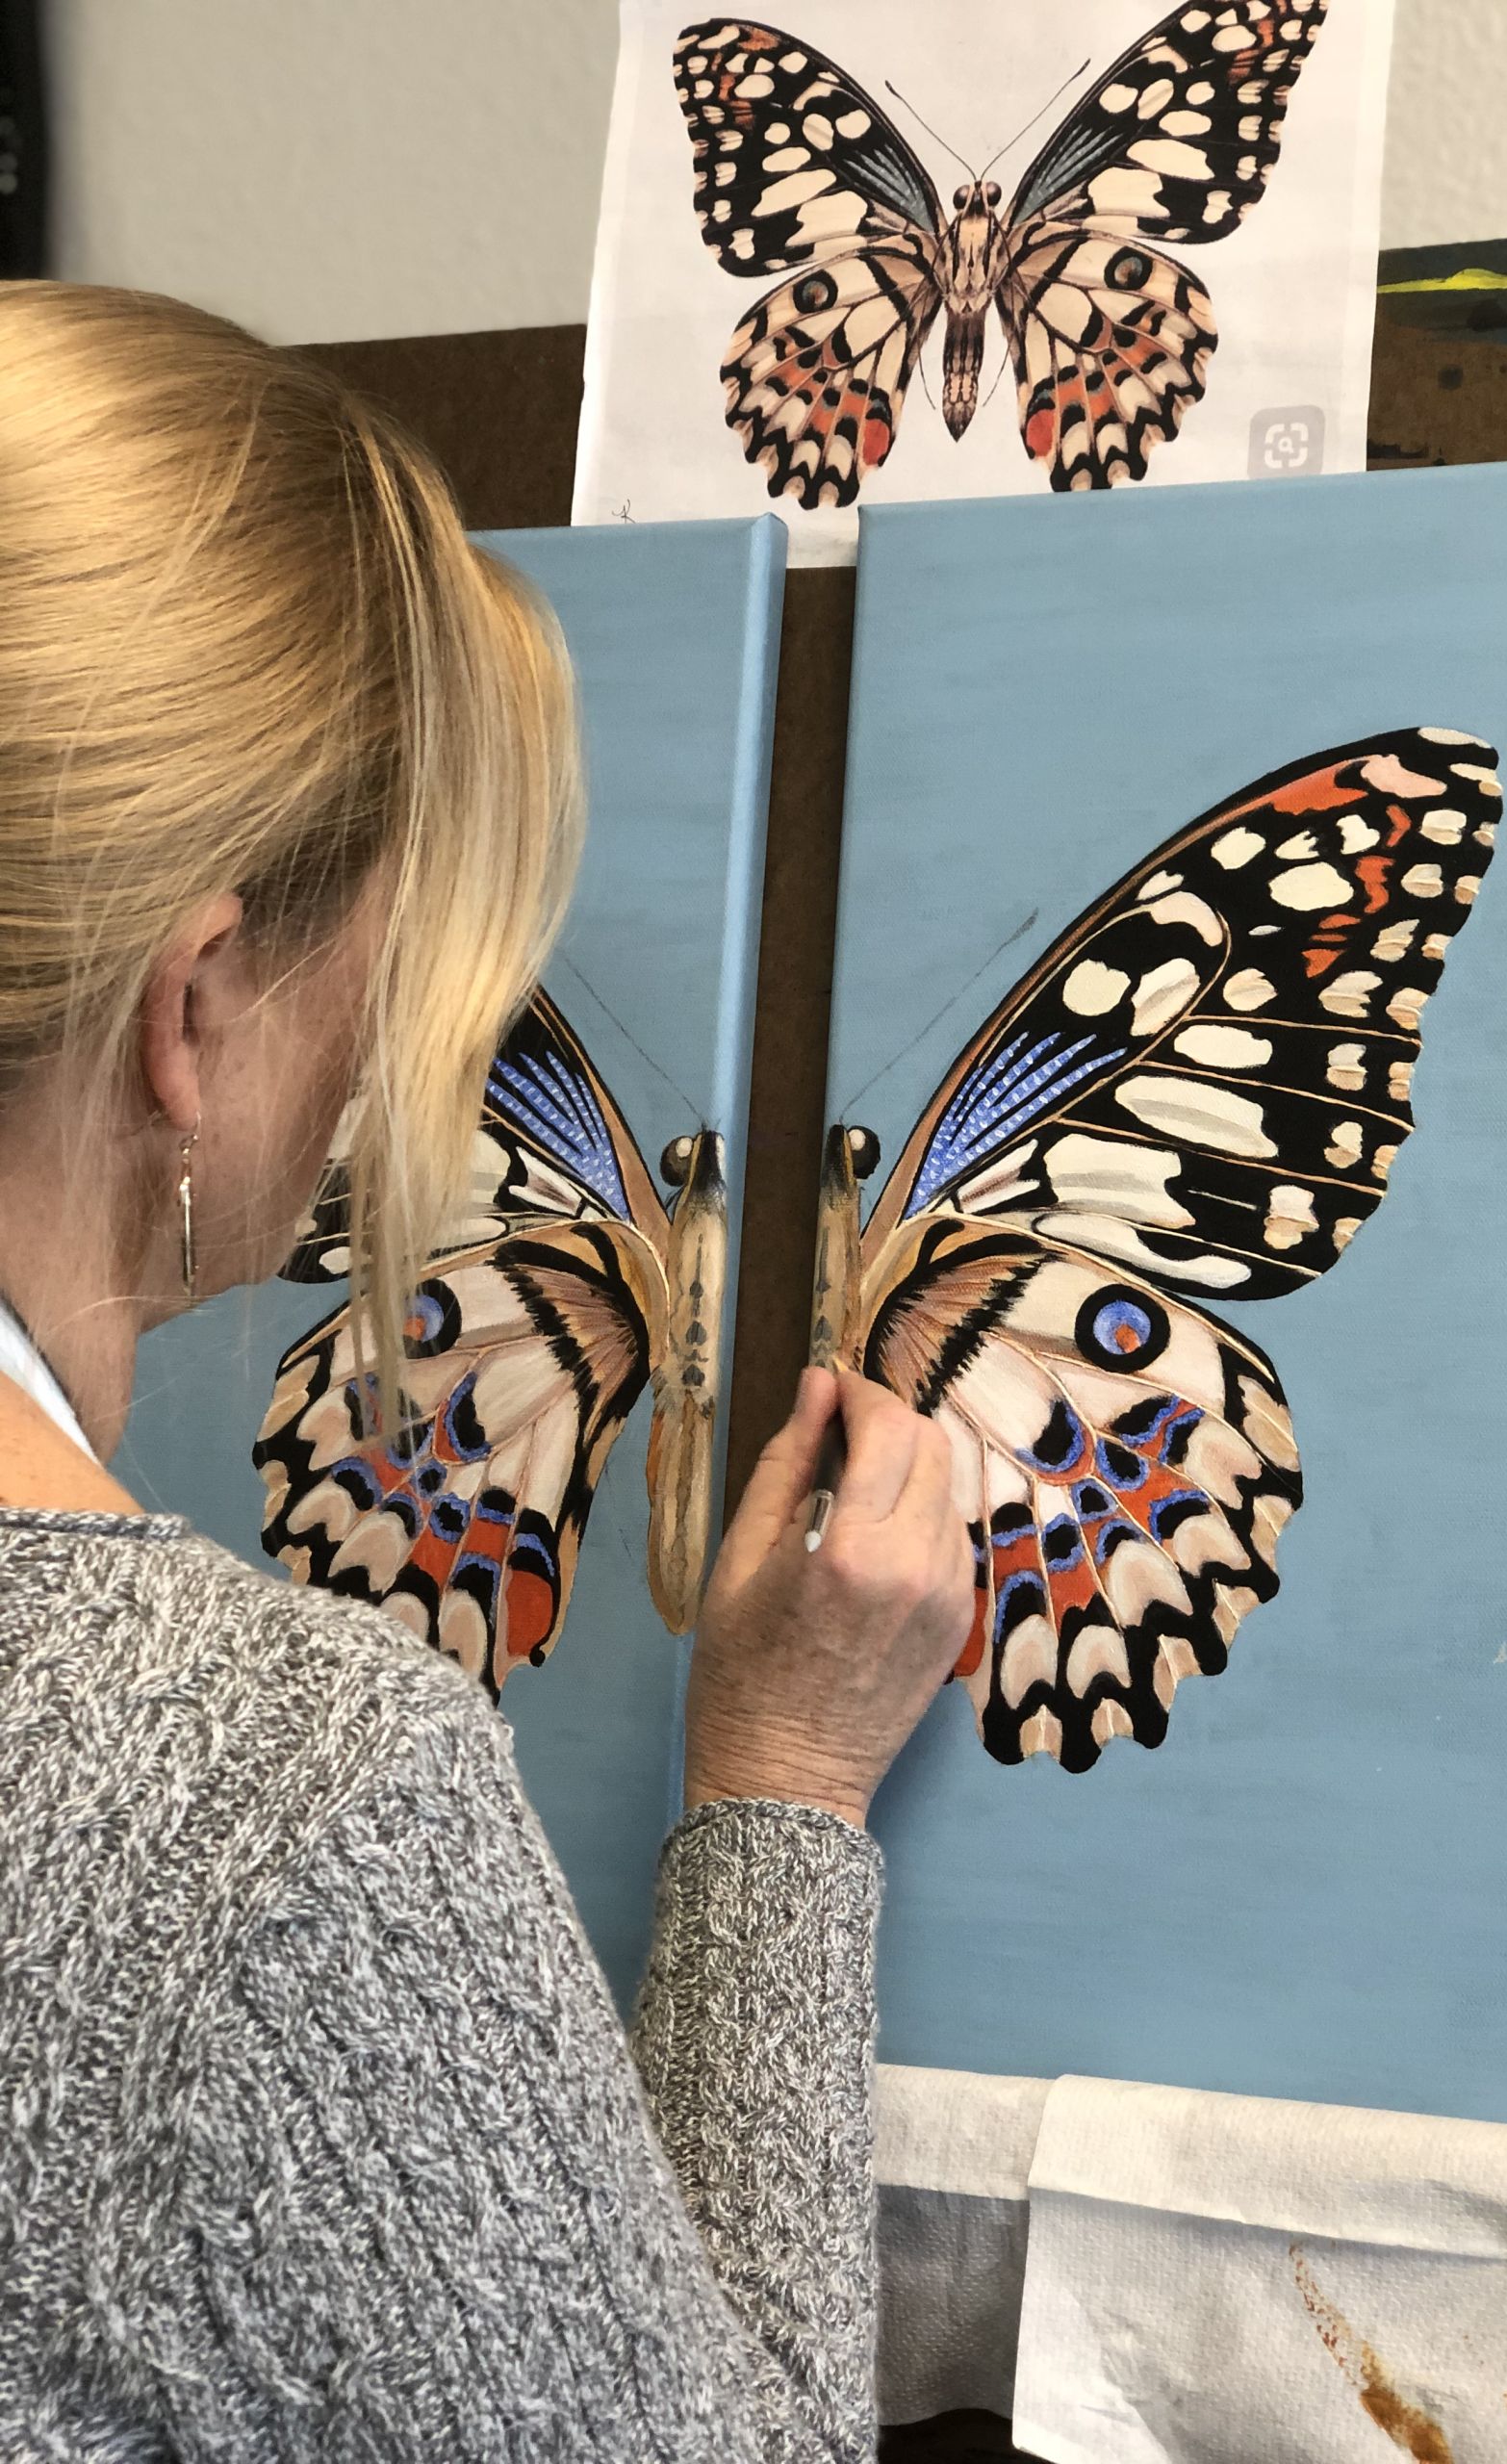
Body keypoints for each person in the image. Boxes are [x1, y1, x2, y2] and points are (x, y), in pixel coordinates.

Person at [0, 283, 974, 2458]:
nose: (389, 1056)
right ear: (199, 1005)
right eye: (399, 963)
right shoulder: (272, 1808)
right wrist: (788, 1785)